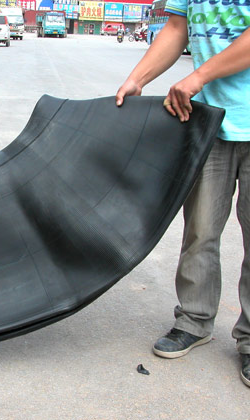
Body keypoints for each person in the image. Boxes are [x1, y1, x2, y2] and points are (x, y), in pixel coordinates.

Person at [115, 0, 250, 387]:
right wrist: (138, 78)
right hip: (208, 121)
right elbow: (177, 29)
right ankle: (194, 320)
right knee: (200, 231)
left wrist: (198, 76)